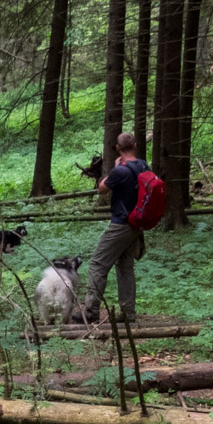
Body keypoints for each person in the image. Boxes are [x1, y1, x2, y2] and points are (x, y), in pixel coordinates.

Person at [74, 131, 143, 323]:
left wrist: (114, 168)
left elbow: (102, 188)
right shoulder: (143, 166)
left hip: (121, 223)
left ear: (118, 148)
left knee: (97, 264)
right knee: (125, 267)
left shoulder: (121, 170)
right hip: (136, 223)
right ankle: (128, 313)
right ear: (135, 145)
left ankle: (90, 312)